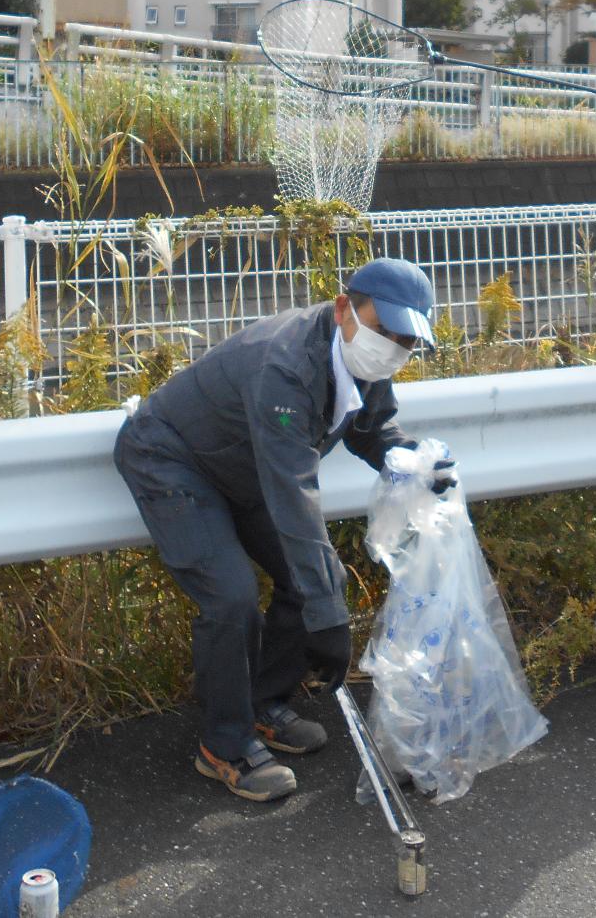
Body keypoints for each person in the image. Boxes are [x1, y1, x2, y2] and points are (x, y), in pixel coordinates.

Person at [113, 257, 456, 802]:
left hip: (243, 464)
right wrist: (329, 618)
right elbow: (293, 495)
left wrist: (412, 460)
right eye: (382, 329)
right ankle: (223, 746)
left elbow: (373, 429)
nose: (391, 346)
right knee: (231, 597)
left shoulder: (362, 364)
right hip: (172, 458)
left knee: (312, 580)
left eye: (404, 340)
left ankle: (261, 704)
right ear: (345, 308)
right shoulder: (286, 364)